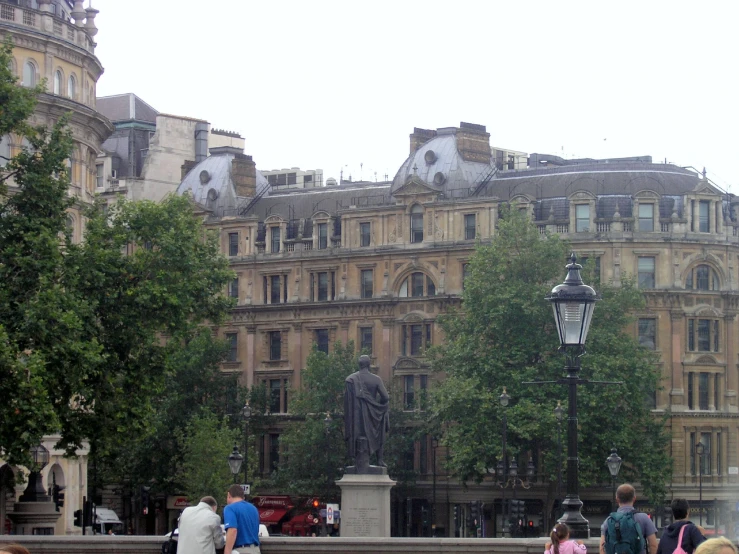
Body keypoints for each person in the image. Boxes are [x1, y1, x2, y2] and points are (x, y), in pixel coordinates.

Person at [344, 354, 390, 469]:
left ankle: (357, 460)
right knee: (380, 431)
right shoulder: (376, 379)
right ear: (369, 365)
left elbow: (348, 403)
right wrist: (378, 406)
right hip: (373, 415)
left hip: (357, 418)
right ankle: (380, 460)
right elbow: (385, 397)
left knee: (359, 435)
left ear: (358, 365)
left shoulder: (350, 379)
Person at [600, 484, 658, 554]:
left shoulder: (608, 521)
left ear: (617, 499)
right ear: (634, 498)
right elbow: (653, 545)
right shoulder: (644, 518)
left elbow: (602, 549)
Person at [223, 484, 260, 554]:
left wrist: (227, 552)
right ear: (243, 497)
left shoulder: (229, 508)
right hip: (256, 549)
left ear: (229, 495)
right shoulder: (254, 508)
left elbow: (232, 530)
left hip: (240, 550)